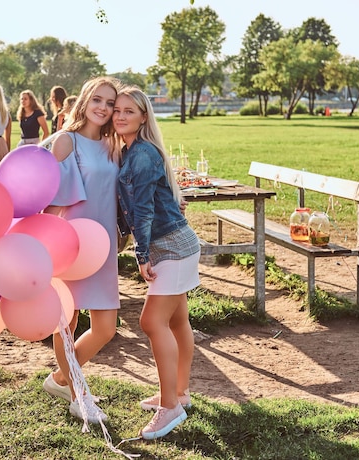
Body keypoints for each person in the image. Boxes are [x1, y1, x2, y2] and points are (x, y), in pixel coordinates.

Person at [113, 86, 199, 440]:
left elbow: (144, 209)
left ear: (143, 116)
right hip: (175, 242)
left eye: (128, 111)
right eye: (117, 110)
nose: (120, 116)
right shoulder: (128, 151)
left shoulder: (143, 154)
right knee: (177, 320)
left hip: (172, 247)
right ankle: (179, 393)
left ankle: (170, 408)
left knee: (151, 321)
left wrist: (142, 254)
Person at [42, 76, 122, 424]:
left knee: (106, 328)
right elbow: (46, 197)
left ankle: (60, 378)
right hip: (70, 241)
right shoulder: (66, 141)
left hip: (103, 243)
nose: (103, 108)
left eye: (110, 103)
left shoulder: (113, 145)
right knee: (67, 322)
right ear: (85, 101)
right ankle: (79, 395)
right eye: (98, 100)